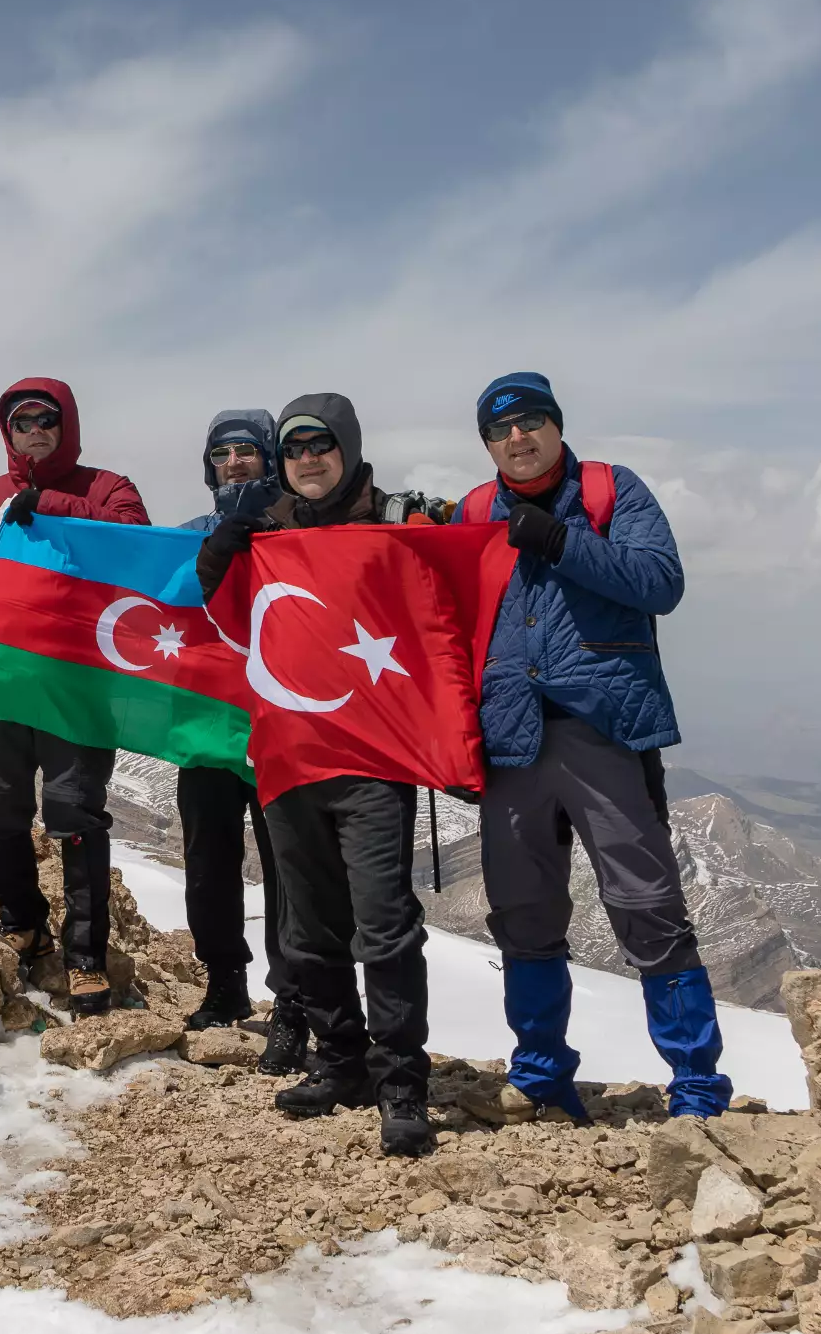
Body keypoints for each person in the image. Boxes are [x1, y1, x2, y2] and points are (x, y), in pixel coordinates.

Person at [458, 372, 731, 1120]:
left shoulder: (613, 492)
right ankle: (542, 1076)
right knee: (524, 910)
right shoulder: (474, 511)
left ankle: (698, 1087)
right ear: (487, 443)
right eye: (502, 428)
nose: (519, 437)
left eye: (533, 421)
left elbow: (659, 581)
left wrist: (562, 541)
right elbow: (444, 624)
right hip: (510, 741)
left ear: (555, 425)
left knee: (648, 906)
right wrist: (454, 739)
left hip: (604, 732)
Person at [196, 396, 447, 1157]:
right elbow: (218, 609)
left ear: (348, 449)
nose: (308, 458)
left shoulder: (391, 524)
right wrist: (225, 547)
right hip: (289, 758)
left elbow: (446, 599)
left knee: (385, 924)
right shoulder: (266, 531)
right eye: (296, 445)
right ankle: (341, 1062)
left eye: (323, 444)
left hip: (371, 760)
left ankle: (401, 1082)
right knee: (308, 930)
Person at [0, 379, 149, 1017]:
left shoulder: (106, 488)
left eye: (46, 418)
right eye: (21, 419)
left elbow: (135, 546)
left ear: (66, 424)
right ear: (7, 430)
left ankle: (85, 958)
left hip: (78, 689)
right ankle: (21, 921)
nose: (34, 428)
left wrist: (52, 504)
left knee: (73, 812)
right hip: (0, 687)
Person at [172, 410, 287, 1041]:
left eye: (247, 450)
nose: (234, 462)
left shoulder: (298, 531)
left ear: (269, 458)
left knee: (289, 870)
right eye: (222, 453)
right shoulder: (186, 536)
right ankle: (223, 985)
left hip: (280, 730)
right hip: (206, 730)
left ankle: (292, 993)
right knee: (207, 868)